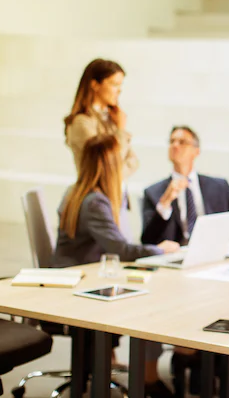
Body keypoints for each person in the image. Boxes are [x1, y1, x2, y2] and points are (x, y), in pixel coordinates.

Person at [53, 134, 179, 398]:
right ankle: (147, 380)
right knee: (152, 303)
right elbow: (121, 250)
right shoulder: (95, 202)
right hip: (84, 286)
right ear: (109, 166)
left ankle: (141, 373)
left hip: (79, 278)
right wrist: (161, 249)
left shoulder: (77, 192)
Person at [141, 125, 229, 246]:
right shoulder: (154, 192)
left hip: (213, 252)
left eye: (182, 142)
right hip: (176, 257)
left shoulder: (219, 187)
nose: (175, 145)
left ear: (196, 151)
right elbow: (148, 240)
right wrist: (164, 204)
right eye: (172, 141)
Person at [64, 58, 138, 238]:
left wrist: (115, 169)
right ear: (95, 85)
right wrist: (120, 130)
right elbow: (105, 166)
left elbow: (133, 161)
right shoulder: (82, 123)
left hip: (116, 197)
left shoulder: (110, 119)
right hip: (97, 200)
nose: (119, 90)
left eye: (120, 85)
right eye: (114, 84)